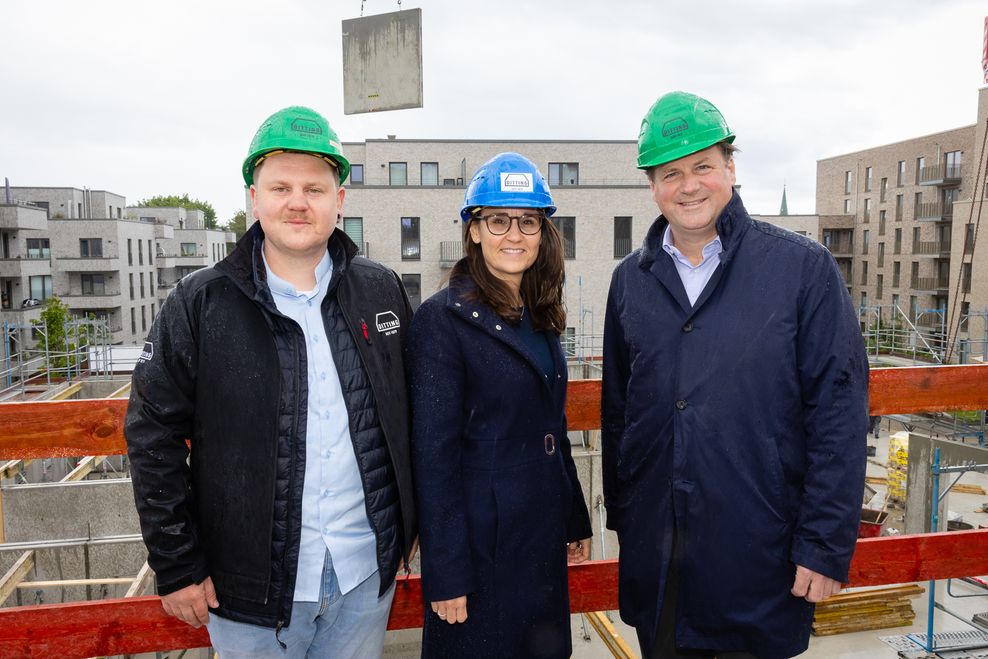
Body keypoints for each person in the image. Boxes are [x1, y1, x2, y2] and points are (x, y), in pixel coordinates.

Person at [125, 106, 416, 658]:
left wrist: (408, 521)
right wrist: (177, 563)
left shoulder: (381, 291)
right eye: (280, 186)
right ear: (252, 198)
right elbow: (151, 435)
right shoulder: (200, 303)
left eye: (315, 187)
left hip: (363, 579)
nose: (298, 202)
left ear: (340, 200)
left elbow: (407, 413)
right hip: (248, 595)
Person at [601, 92, 868, 659]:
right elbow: (619, 411)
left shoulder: (801, 269)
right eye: (671, 173)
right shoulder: (630, 282)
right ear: (652, 186)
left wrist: (823, 544)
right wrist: (626, 519)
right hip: (660, 565)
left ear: (731, 168)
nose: (689, 185)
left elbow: (839, 413)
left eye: (703, 165)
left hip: (758, 556)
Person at [407, 152, 593, 658]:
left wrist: (575, 517)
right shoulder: (442, 322)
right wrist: (445, 575)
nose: (514, 234)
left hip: (538, 536)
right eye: (498, 220)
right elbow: (433, 456)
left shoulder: (539, 313)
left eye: (528, 221)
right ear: (473, 229)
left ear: (543, 231)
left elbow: (551, 427)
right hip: (481, 552)